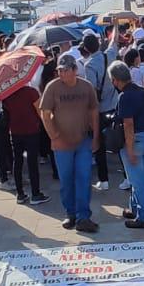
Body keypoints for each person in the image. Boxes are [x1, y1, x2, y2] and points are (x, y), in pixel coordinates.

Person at [41, 54, 100, 232]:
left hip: (83, 140)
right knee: (66, 180)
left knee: (84, 178)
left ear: (75, 70)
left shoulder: (86, 86)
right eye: (59, 70)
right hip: (62, 144)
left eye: (66, 70)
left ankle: (84, 217)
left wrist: (96, 137)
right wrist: (54, 135)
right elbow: (45, 113)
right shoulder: (53, 87)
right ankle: (70, 213)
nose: (62, 74)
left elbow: (94, 112)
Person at [110, 61, 144, 228]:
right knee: (139, 177)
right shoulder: (143, 92)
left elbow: (128, 124)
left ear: (115, 80)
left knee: (137, 182)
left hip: (134, 140)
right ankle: (134, 208)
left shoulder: (124, 97)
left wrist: (129, 149)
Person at [81, 27, 121, 191]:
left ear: (85, 49)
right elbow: (114, 42)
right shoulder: (110, 55)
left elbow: (91, 89)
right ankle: (126, 177)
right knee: (120, 140)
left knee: (98, 143)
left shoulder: (89, 65)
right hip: (115, 105)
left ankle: (103, 179)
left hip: (100, 109)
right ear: (98, 43)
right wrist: (115, 26)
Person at [2, 78, 49, 206]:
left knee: (17, 161)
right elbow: (40, 111)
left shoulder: (6, 95)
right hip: (31, 130)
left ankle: (20, 194)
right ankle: (35, 193)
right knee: (32, 162)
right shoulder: (31, 92)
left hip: (15, 131)